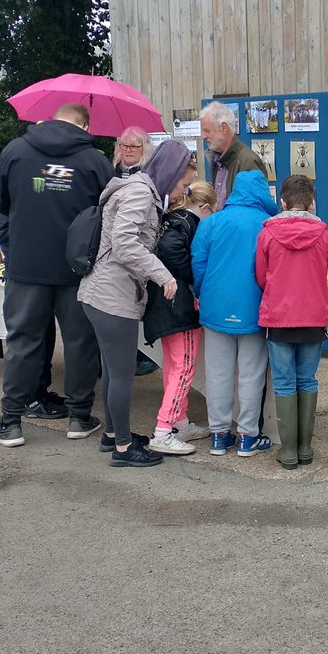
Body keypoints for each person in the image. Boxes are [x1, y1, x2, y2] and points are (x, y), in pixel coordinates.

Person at [0, 103, 112, 448]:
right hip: (78, 271)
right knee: (80, 344)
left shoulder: (15, 151)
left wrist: (13, 249)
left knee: (22, 344)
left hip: (26, 269)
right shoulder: (95, 161)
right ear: (85, 124)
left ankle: (11, 422)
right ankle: (80, 417)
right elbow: (107, 216)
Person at [78, 140, 198, 467]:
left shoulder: (141, 189)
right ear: (171, 172)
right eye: (184, 183)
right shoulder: (141, 193)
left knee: (115, 371)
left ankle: (113, 435)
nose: (184, 191)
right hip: (112, 295)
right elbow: (123, 243)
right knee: (121, 374)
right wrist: (164, 276)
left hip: (103, 292)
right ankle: (124, 449)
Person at [191, 168, 279, 457]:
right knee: (251, 375)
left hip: (216, 308)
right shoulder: (269, 225)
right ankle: (248, 437)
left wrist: (203, 293)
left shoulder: (212, 222)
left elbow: (198, 265)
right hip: (255, 309)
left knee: (218, 373)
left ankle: (218, 435)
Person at [255, 174, 328, 470]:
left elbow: (261, 275)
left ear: (282, 202)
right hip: (312, 316)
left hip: (280, 316)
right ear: (311, 203)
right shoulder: (322, 233)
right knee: (307, 379)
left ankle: (288, 451)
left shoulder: (268, 233)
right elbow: (323, 266)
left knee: (284, 382)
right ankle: (305, 447)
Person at [142, 180, 218, 456]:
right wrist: (191, 274)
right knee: (185, 368)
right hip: (178, 308)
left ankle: (180, 421)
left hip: (164, 307)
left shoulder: (170, 217)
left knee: (175, 368)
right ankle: (163, 430)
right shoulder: (186, 222)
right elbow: (171, 248)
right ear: (206, 207)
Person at [0, 206, 66, 420]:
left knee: (46, 337)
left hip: (42, 273)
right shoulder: (6, 194)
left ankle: (40, 391)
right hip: (25, 274)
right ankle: (31, 399)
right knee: (31, 341)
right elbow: (2, 234)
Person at [111, 125, 162, 377]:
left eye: (134, 146)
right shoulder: (109, 175)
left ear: (144, 149)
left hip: (136, 261)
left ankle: (140, 355)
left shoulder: (144, 180)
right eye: (124, 145)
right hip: (115, 266)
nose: (128, 150)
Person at [199, 101, 266, 207]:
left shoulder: (248, 162)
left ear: (223, 128)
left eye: (207, 131)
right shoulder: (216, 159)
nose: (203, 136)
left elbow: (255, 209)